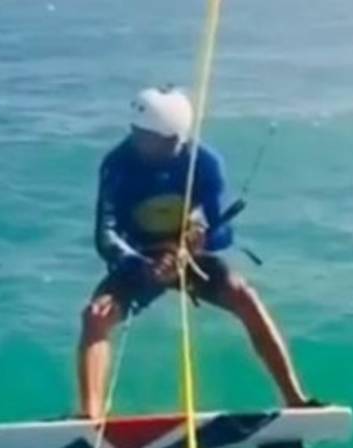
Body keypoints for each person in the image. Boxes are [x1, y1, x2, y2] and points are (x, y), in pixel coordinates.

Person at [78, 86, 315, 418]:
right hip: (139, 260)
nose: (135, 139)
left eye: (145, 135)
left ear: (172, 137)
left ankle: (295, 399)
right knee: (95, 316)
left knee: (244, 295)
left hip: (189, 257)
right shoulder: (117, 164)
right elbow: (105, 235)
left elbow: (222, 231)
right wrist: (141, 263)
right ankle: (90, 418)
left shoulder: (204, 162)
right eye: (134, 131)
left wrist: (198, 237)